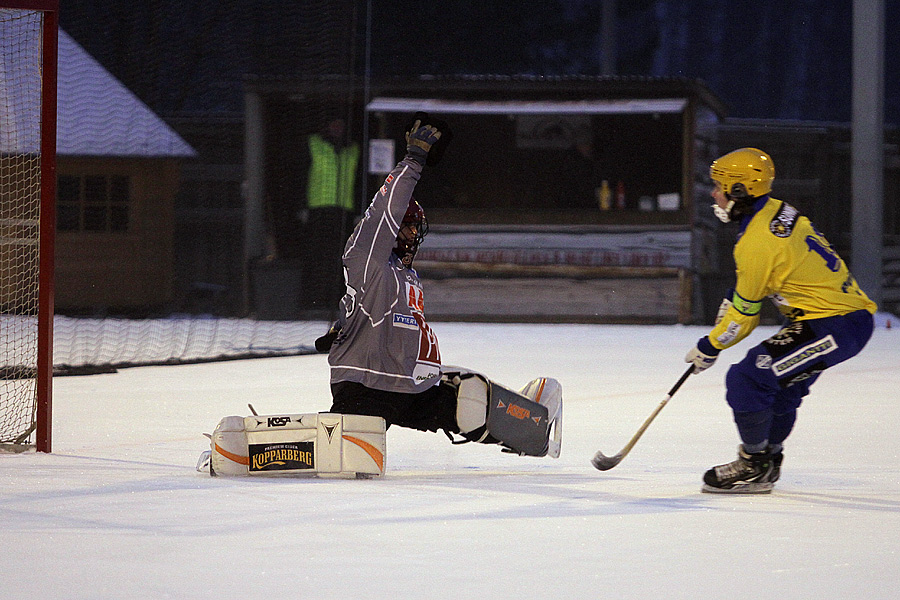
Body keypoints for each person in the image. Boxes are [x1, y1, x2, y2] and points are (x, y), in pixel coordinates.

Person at [315, 114, 562, 459]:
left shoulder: (405, 274)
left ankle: (530, 429)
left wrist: (344, 323)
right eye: (409, 226)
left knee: (469, 399)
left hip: (412, 387)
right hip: (367, 386)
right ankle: (266, 449)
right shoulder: (366, 254)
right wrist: (413, 161)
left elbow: (367, 308)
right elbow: (383, 211)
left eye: (417, 228)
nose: (414, 235)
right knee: (346, 451)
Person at [685, 148, 877, 494]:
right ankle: (768, 459)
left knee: (748, 377)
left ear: (740, 190)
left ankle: (754, 464)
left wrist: (709, 346)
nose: (714, 194)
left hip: (834, 323)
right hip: (833, 318)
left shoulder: (756, 241)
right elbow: (774, 271)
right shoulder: (777, 210)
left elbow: (745, 316)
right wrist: (739, 292)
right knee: (781, 387)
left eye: (719, 186)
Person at [300, 117, 360, 309]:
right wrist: (302, 206)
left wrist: (359, 209)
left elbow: (358, 181)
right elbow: (300, 174)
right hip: (318, 209)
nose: (337, 128)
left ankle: (338, 299)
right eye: (333, 124)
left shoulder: (353, 149)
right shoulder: (313, 144)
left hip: (344, 210)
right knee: (318, 255)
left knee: (341, 257)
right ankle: (315, 299)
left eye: (340, 124)